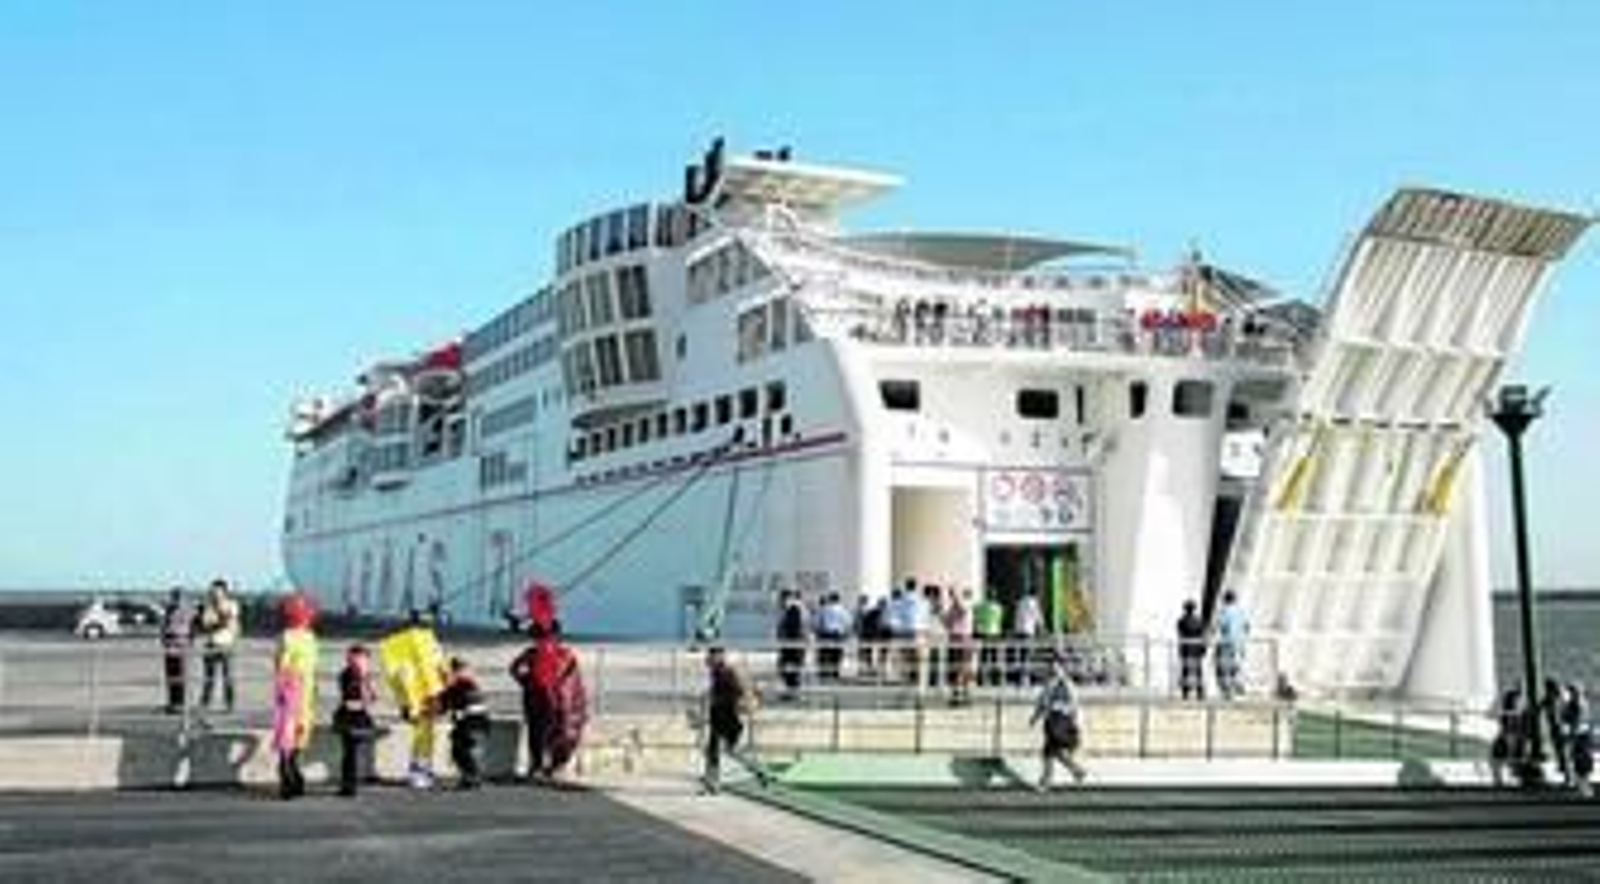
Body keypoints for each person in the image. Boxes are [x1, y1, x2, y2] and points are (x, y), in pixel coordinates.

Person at [700, 646, 769, 794]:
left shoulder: (727, 673)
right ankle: (713, 782)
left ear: (720, 656)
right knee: (718, 750)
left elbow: (742, 691)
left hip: (728, 718)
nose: (708, 659)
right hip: (720, 716)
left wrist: (746, 703)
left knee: (720, 750)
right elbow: (715, 692)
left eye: (712, 656)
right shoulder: (717, 672)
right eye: (709, 656)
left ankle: (714, 782)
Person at [272, 593, 319, 800]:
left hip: (290, 688)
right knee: (299, 733)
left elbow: (281, 664)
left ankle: (288, 776)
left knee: (287, 735)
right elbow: (313, 667)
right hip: (305, 690)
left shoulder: (286, 636)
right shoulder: (311, 637)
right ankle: (293, 774)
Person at [1031, 651, 1087, 790]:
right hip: (1051, 720)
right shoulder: (1049, 683)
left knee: (1051, 750)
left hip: (1061, 719)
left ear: (1062, 667)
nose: (1053, 668)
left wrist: (1077, 723)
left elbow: (1075, 704)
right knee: (1049, 751)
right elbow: (1042, 703)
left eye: (1056, 665)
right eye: (1051, 665)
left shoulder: (1066, 684)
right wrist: (1035, 717)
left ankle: (1048, 780)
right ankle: (1075, 771)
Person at [332, 643, 378, 797]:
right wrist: (362, 682)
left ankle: (350, 785)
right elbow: (348, 697)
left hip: (359, 717)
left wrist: (365, 680)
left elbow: (372, 698)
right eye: (355, 657)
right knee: (349, 752)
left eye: (362, 658)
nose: (360, 661)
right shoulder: (346, 674)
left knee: (352, 753)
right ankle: (348, 786)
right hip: (348, 717)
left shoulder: (366, 676)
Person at [438, 656, 492, 789]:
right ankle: (472, 777)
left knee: (460, 751)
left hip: (470, 725)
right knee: (470, 751)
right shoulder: (470, 684)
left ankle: (471, 777)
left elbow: (441, 708)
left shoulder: (457, 687)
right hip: (481, 724)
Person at [195, 578, 241, 714]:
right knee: (209, 678)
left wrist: (216, 617)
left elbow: (226, 621)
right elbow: (205, 625)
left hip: (226, 644)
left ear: (224, 592)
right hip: (211, 644)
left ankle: (229, 704)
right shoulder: (208, 606)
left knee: (228, 677)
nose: (214, 593)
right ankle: (204, 704)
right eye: (212, 590)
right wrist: (210, 618)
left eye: (217, 590)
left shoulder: (232, 604)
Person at [159, 587, 192, 714]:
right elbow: (164, 626)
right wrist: (163, 639)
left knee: (180, 677)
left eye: (177, 597)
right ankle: (172, 703)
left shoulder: (186, 611)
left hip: (180, 646)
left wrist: (186, 642)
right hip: (169, 647)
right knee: (170, 676)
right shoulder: (168, 610)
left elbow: (189, 629)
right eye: (173, 596)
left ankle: (180, 704)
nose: (175, 599)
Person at [1214, 591, 1250, 699]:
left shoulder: (1224, 611)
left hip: (1226, 643)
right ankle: (1239, 686)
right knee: (1237, 666)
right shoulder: (1241, 611)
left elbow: (1220, 626)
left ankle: (1227, 691)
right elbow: (1247, 626)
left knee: (1224, 667)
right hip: (1239, 643)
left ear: (1225, 600)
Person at [1490, 686, 1527, 788]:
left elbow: (1505, 722)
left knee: (1506, 754)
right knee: (1504, 754)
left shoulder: (1513, 712)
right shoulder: (1513, 711)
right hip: (1509, 734)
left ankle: (1503, 778)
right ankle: (1503, 778)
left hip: (1510, 734)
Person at [944, 588, 975, 705]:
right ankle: (955, 695)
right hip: (953, 638)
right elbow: (947, 623)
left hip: (964, 638)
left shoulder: (967, 605)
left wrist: (955, 596)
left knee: (964, 667)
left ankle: (966, 694)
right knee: (954, 668)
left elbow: (963, 610)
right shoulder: (952, 608)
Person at [776, 590, 807, 700]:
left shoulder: (794, 609)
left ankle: (793, 693)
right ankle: (791, 692)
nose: (779, 601)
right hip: (791, 645)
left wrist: (786, 642)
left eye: (781, 599)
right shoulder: (790, 609)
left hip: (793, 646)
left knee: (791, 669)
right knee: (787, 669)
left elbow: (794, 629)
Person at [813, 592, 850, 682]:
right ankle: (835, 673)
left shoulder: (824, 609)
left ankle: (824, 673)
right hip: (837, 635)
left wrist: (817, 632)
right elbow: (847, 623)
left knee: (824, 655)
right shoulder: (843, 610)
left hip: (825, 634)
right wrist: (845, 633)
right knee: (836, 655)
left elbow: (817, 622)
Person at [1176, 599, 1206, 700]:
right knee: (1198, 671)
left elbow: (1180, 634)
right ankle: (1200, 692)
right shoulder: (1199, 621)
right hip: (1197, 647)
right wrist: (1203, 648)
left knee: (1185, 670)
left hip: (1186, 647)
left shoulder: (1181, 621)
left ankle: (1185, 692)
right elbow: (1202, 635)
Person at [1012, 592, 1043, 686]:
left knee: (1020, 655)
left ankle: (1019, 677)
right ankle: (1025, 678)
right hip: (1028, 631)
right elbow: (1038, 617)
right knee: (1027, 655)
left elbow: (1016, 616)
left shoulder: (1021, 602)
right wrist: (1042, 628)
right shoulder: (1033, 603)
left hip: (1018, 631)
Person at [974, 592, 1004, 687]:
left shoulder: (980, 606)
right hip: (994, 634)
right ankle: (995, 679)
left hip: (982, 633)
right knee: (994, 658)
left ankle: (981, 679)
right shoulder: (998, 607)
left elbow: (976, 617)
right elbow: (999, 620)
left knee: (983, 657)